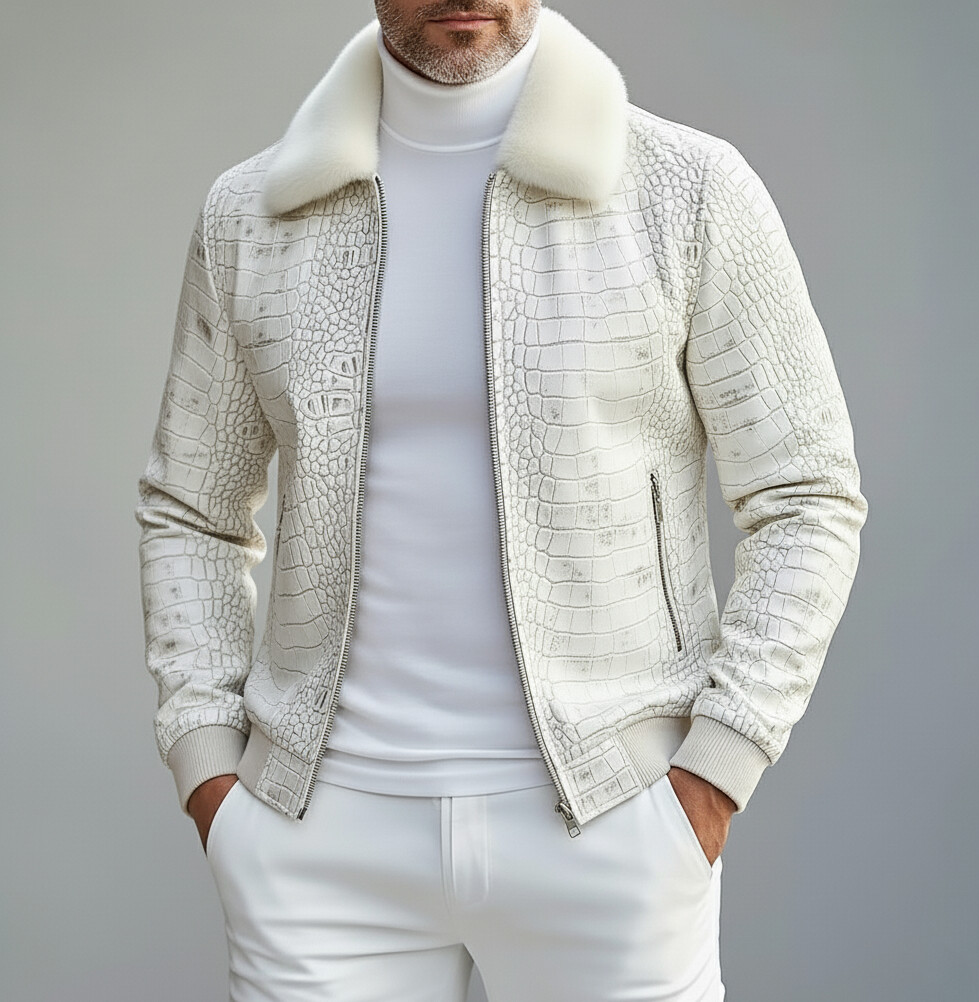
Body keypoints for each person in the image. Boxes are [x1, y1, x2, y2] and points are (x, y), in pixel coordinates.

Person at [134, 3, 867, 999]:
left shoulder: (688, 190)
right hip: (317, 841)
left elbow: (807, 493)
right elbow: (191, 509)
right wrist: (210, 773)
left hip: (612, 824)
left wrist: (716, 769)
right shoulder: (250, 214)